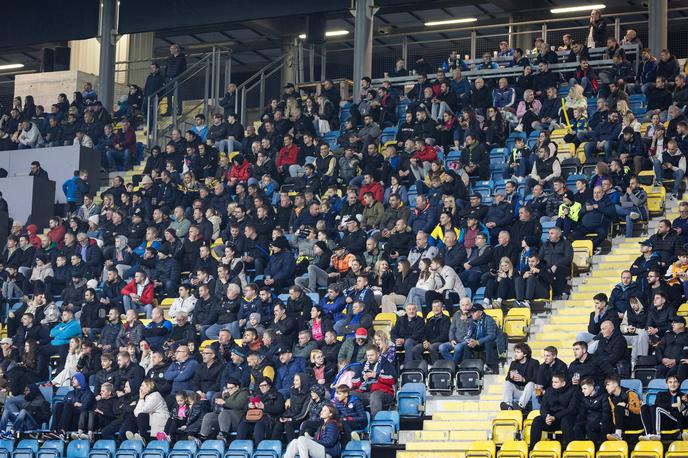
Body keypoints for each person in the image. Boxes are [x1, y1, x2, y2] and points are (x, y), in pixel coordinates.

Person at [528, 373, 577, 451]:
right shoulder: (549, 391)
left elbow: (571, 409)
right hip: (551, 420)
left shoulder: (573, 391)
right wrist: (547, 416)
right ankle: (532, 449)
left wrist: (555, 417)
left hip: (565, 419)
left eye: (556, 382)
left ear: (563, 383)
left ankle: (569, 449)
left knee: (566, 421)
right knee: (537, 420)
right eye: (552, 382)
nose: (553, 384)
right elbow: (543, 407)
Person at [640, 375, 688, 441]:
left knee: (657, 408)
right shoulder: (661, 394)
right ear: (667, 384)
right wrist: (671, 405)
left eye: (675, 382)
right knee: (644, 407)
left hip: (675, 421)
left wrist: (684, 403)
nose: (673, 384)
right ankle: (649, 434)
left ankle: (657, 435)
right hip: (662, 420)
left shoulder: (683, 396)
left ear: (679, 383)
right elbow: (657, 404)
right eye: (670, 382)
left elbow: (682, 413)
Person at [501, 343, 539, 412]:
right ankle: (508, 405)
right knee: (507, 383)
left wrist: (523, 379)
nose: (515, 354)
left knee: (531, 383)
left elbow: (537, 379)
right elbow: (507, 379)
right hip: (518, 391)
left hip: (529, 391)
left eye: (518, 352)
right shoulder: (514, 363)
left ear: (525, 354)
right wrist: (511, 377)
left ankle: (520, 405)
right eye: (515, 352)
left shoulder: (534, 363)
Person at [574, 377, 612, 446]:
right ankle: (582, 447)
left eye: (584, 389)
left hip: (601, 422)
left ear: (591, 387)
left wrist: (602, 422)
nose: (582, 391)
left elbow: (606, 412)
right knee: (577, 427)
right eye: (582, 389)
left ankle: (595, 448)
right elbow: (582, 413)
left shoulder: (603, 396)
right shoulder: (584, 399)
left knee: (590, 427)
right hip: (589, 421)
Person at [605, 376, 642, 441]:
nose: (606, 387)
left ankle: (618, 434)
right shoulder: (610, 398)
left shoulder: (630, 393)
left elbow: (638, 411)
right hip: (623, 422)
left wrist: (626, 406)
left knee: (618, 408)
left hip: (635, 420)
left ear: (616, 384)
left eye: (608, 385)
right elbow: (614, 413)